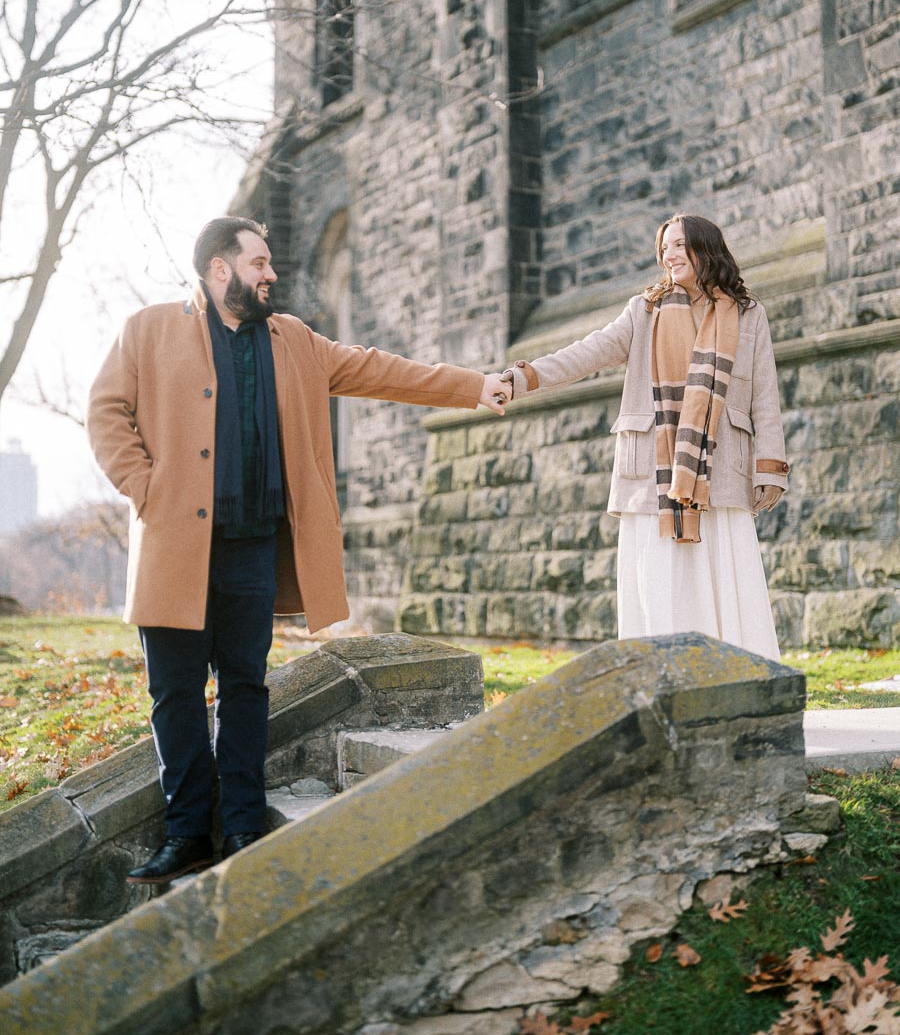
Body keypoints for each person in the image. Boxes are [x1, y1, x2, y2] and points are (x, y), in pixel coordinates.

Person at [87, 216, 512, 885]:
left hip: (253, 548)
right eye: (259, 263)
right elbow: (106, 413)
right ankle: (187, 833)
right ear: (219, 269)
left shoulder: (295, 342)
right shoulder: (149, 329)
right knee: (173, 695)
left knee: (246, 688)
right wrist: (145, 490)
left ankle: (247, 828)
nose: (271, 274)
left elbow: (379, 370)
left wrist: (470, 386)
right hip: (176, 546)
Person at [501, 214, 789, 663]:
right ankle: (665, 677)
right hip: (654, 475)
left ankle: (735, 676)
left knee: (724, 576)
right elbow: (588, 353)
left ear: (705, 248)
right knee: (662, 581)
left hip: (721, 469)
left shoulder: (749, 314)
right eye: (664, 248)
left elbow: (765, 395)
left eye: (678, 246)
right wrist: (526, 377)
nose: (668, 255)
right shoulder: (645, 310)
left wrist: (770, 464)